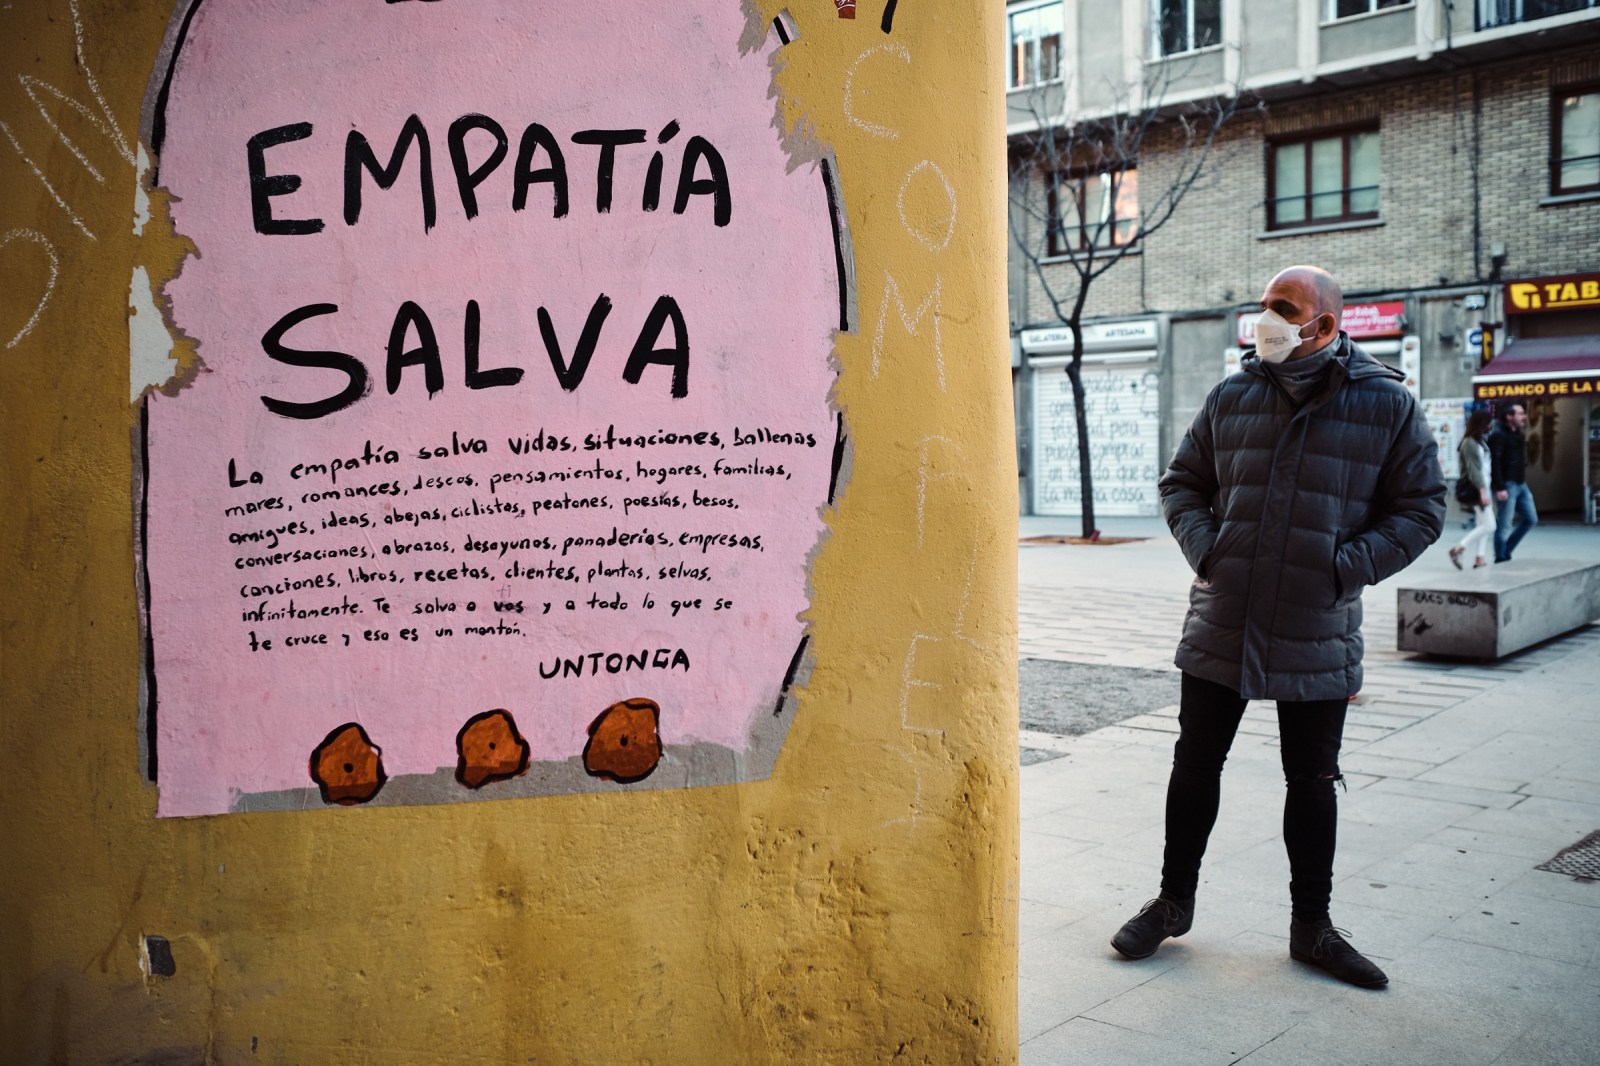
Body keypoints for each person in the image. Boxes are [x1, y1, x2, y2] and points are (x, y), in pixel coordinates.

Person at [1110, 266, 1445, 988]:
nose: (1265, 319)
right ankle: (1172, 904)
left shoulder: (1385, 404)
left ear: (1324, 326)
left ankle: (1312, 928)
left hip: (1317, 623)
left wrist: (1343, 567)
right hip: (1223, 617)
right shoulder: (1233, 394)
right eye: (1263, 305)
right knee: (1194, 766)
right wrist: (1210, 549)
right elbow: (1183, 483)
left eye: (1283, 309)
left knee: (1313, 781)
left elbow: (1422, 508)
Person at [1488, 402, 1537, 563]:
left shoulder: (1519, 435)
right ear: (1509, 417)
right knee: (1504, 524)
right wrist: (1500, 487)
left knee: (1531, 519)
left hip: (1521, 483)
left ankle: (1506, 550)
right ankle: (1500, 557)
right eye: (1520, 414)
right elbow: (1495, 462)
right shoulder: (1498, 436)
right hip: (1507, 484)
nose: (1524, 417)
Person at [1449, 408, 1496, 569]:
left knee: (1482, 524)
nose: (1490, 425)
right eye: (1488, 422)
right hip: (1477, 488)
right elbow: (1473, 469)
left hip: (1484, 486)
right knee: (1490, 525)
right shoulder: (1469, 443)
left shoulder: (1478, 441)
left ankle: (1479, 559)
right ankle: (1458, 548)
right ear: (1481, 424)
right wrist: (1482, 490)